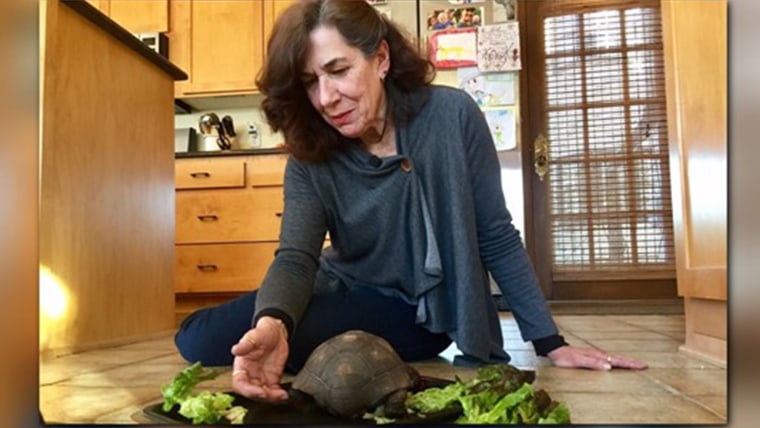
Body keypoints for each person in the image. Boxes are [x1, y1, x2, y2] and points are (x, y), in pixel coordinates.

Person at [173, 0, 648, 402]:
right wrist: (274, 320)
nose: (326, 97)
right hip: (336, 280)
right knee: (199, 337)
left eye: (338, 71)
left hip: (414, 311)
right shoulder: (309, 152)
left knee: (308, 336)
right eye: (310, 82)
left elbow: (496, 234)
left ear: (380, 58)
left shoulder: (451, 115)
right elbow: (296, 259)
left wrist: (549, 341)